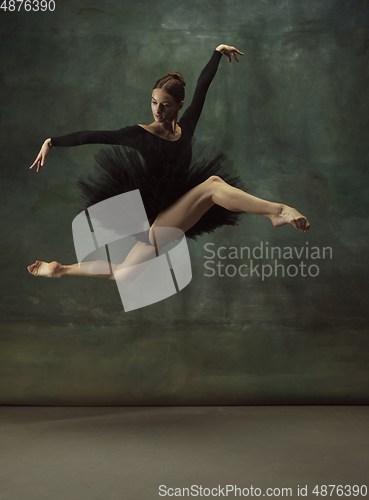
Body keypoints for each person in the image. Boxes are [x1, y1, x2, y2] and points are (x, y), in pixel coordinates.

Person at [27, 44, 310, 283]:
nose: (157, 110)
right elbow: (93, 136)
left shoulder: (186, 126)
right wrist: (51, 141)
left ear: (178, 105)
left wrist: (217, 53)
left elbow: (202, 87)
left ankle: (60, 270)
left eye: (164, 104)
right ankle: (278, 211)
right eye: (153, 103)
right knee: (212, 186)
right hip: (156, 220)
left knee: (123, 275)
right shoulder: (139, 134)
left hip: (175, 215)